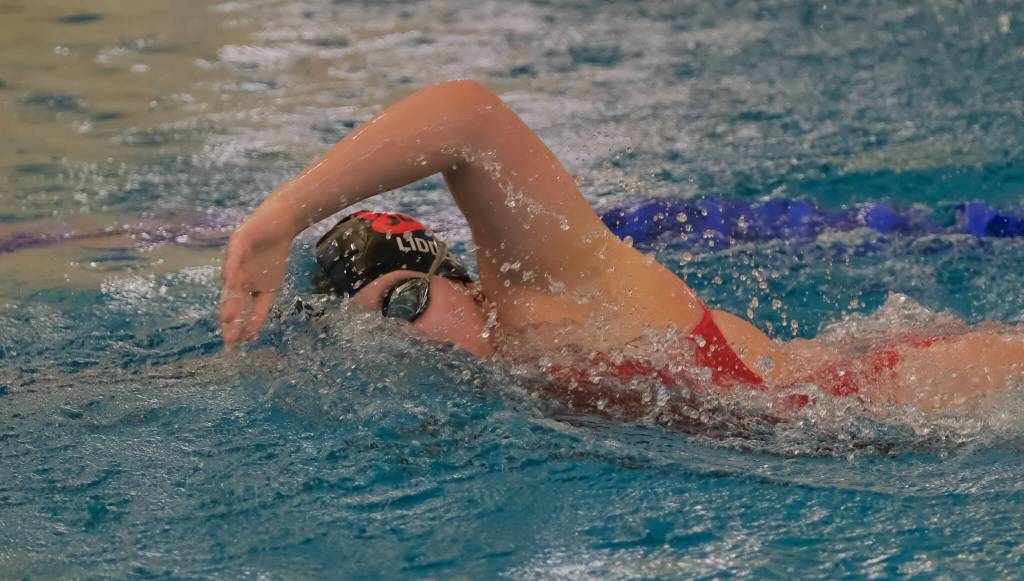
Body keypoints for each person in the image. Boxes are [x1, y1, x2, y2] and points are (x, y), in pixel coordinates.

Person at [220, 80, 1024, 413]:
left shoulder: (544, 288)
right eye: (378, 326)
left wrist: (278, 218)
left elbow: (466, 117)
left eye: (405, 300)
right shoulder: (498, 381)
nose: (409, 335)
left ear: (452, 277)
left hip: (904, 395)